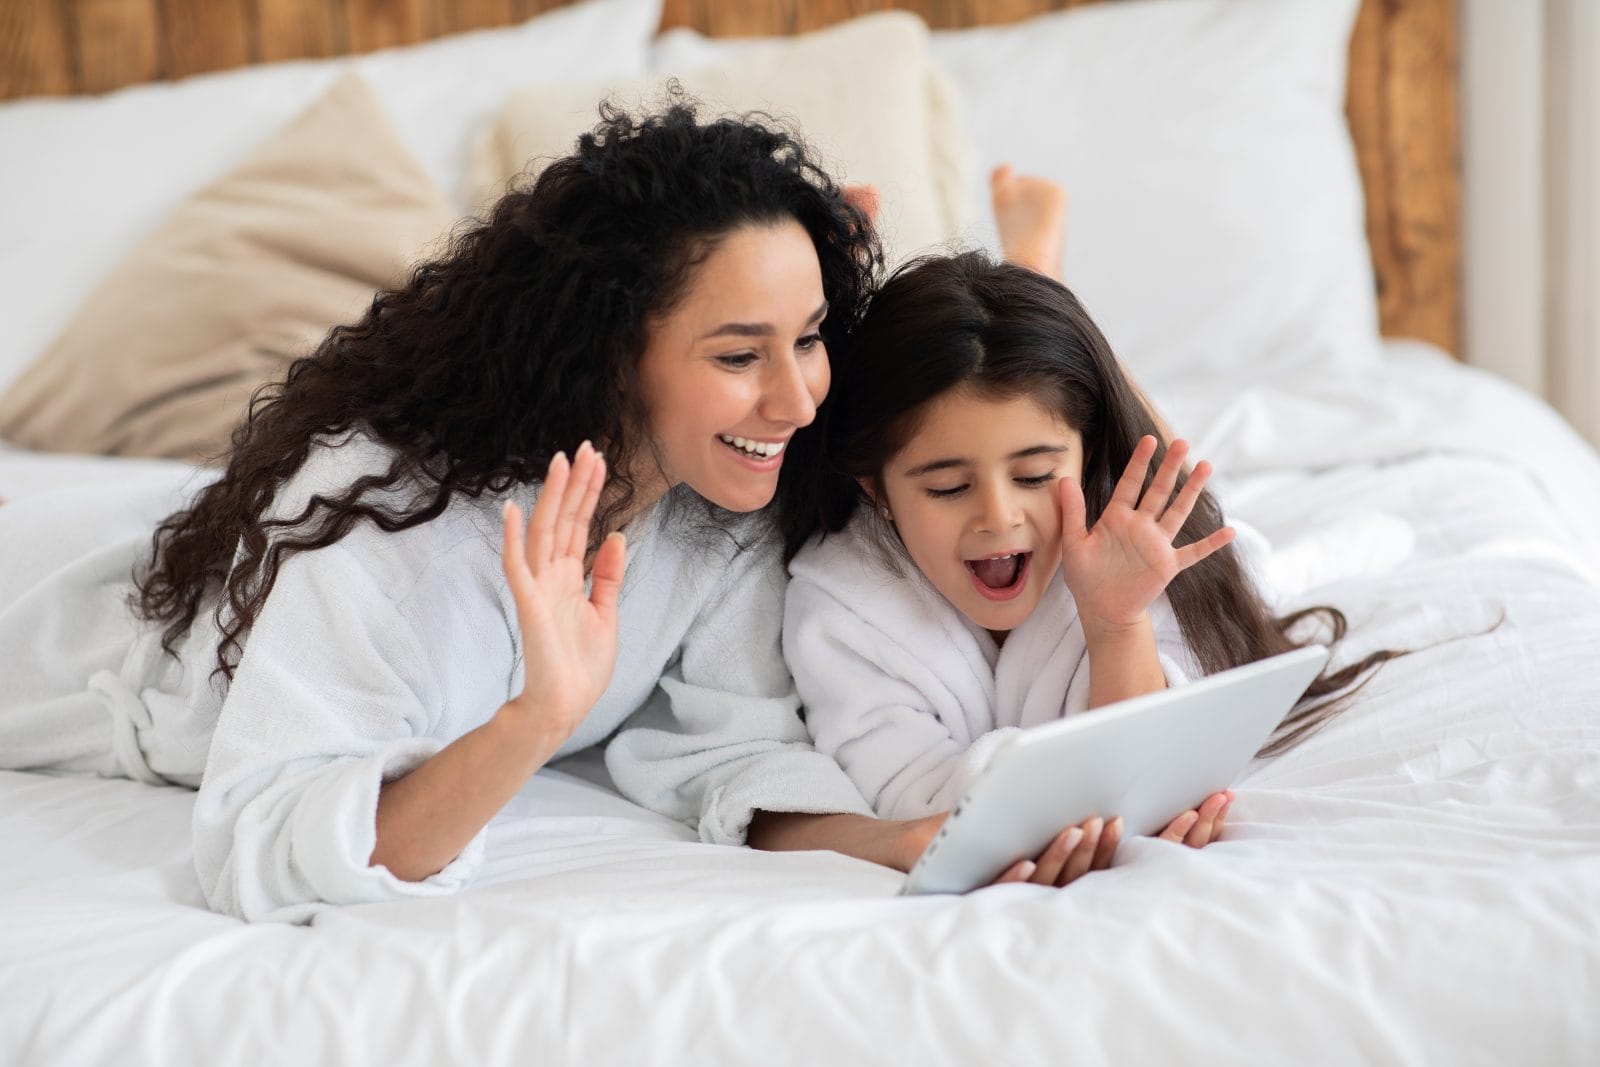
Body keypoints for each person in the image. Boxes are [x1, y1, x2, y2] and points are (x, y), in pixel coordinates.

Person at [0, 99, 941, 922]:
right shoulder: (395, 531)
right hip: (56, 632)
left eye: (810, 338)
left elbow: (733, 746)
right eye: (740, 356)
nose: (798, 399)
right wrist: (532, 721)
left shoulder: (718, 502)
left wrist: (891, 842)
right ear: (610, 352)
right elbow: (272, 849)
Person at [780, 250, 1402, 887]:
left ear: (1083, 460)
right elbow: (919, 806)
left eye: (1034, 476)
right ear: (877, 490)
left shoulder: (1126, 542)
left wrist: (1117, 623)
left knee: (1240, 547)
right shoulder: (840, 606)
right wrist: (1110, 801)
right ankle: (1036, 263)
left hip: (1144, 522)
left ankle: (1038, 265)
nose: (998, 517)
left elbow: (1156, 742)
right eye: (946, 488)